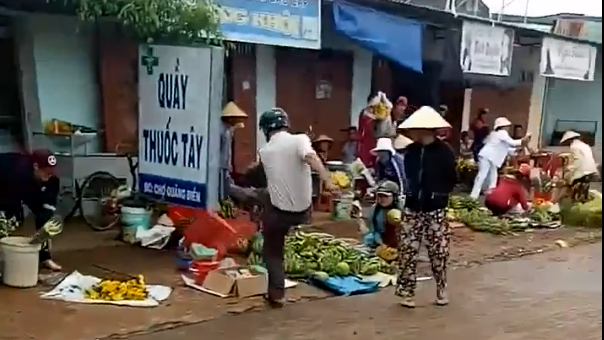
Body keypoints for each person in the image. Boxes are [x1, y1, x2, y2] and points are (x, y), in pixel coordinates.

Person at [257, 108, 335, 307]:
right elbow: (310, 157)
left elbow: (265, 176)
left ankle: (277, 295)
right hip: (304, 211)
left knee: (272, 251)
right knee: (268, 196)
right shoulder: (300, 139)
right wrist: (327, 179)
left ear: (266, 130)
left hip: (279, 214)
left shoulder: (264, 152)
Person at [395, 106, 457, 308]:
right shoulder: (411, 152)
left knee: (439, 251)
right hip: (413, 207)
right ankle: (408, 292)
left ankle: (441, 288)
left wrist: (437, 194)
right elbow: (409, 176)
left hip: (435, 208)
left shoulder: (445, 152)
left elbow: (451, 179)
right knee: (407, 250)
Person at [0, 149, 62, 271]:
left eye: (51, 173)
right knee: (8, 220)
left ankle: (45, 258)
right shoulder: (16, 173)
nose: (48, 177)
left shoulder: (52, 180)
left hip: (26, 186)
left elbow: (46, 210)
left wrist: (44, 228)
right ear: (35, 167)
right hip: (4, 183)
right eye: (45, 173)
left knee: (44, 219)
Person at [470, 117, 530, 199]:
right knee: (482, 175)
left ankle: (490, 194)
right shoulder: (502, 133)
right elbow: (512, 143)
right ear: (502, 126)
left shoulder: (496, 134)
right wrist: (523, 141)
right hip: (487, 156)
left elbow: (507, 148)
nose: (508, 128)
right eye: (507, 126)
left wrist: (518, 148)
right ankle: (474, 196)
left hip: (490, 157)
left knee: (492, 176)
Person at [559, 130, 599, 203]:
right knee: (583, 192)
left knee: (576, 194)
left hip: (582, 171)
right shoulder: (585, 145)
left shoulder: (574, 147)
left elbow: (577, 161)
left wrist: (569, 173)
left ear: (569, 140)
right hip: (590, 170)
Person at [220, 102, 248, 200]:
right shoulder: (225, 131)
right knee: (224, 188)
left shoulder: (227, 130)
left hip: (226, 165)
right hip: (222, 166)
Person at [362, 181, 402, 249]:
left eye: (386, 196)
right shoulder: (376, 211)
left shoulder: (399, 212)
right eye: (380, 196)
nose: (382, 199)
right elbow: (374, 229)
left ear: (394, 197)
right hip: (378, 244)